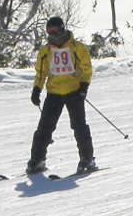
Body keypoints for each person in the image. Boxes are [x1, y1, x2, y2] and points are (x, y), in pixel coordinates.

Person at [27, 16, 96, 175]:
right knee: (44, 128)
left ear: (62, 29)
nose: (53, 34)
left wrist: (84, 87)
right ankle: (37, 159)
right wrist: (37, 89)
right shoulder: (46, 51)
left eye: (55, 30)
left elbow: (86, 69)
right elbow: (41, 72)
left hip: (74, 91)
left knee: (79, 126)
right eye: (50, 31)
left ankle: (87, 158)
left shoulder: (77, 47)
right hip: (54, 92)